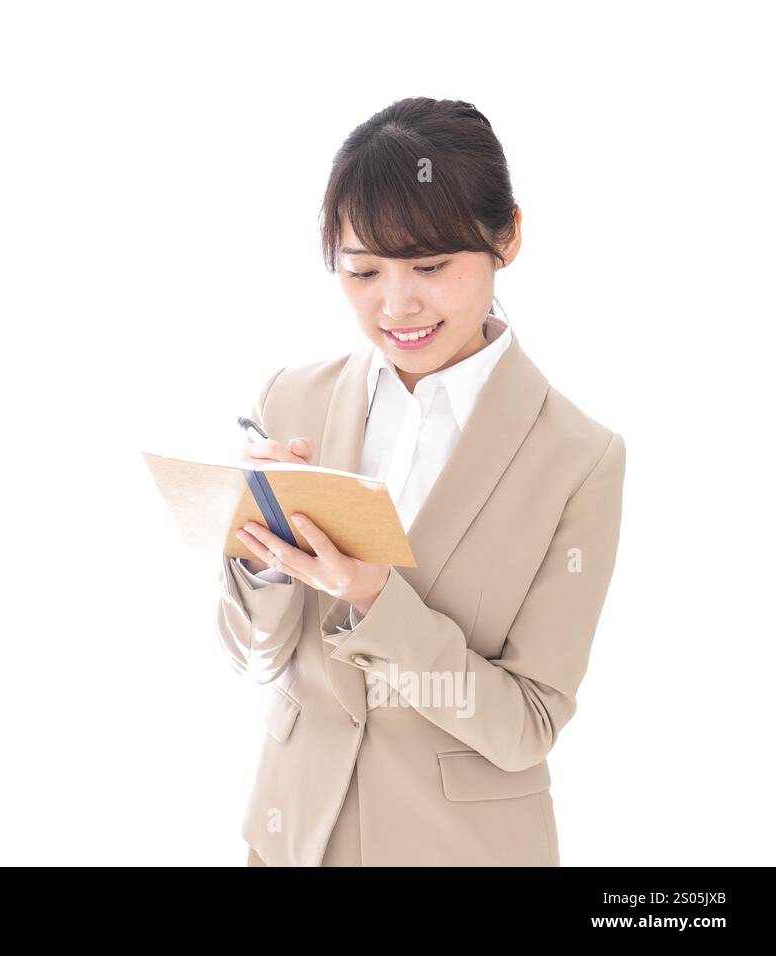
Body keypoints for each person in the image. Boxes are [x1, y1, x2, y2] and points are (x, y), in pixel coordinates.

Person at [217, 97, 626, 866]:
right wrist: (259, 558)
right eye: (363, 270)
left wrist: (377, 601)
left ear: (507, 236)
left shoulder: (580, 458)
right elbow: (250, 655)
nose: (395, 304)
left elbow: (526, 724)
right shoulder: (289, 400)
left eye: (431, 267)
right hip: (291, 840)